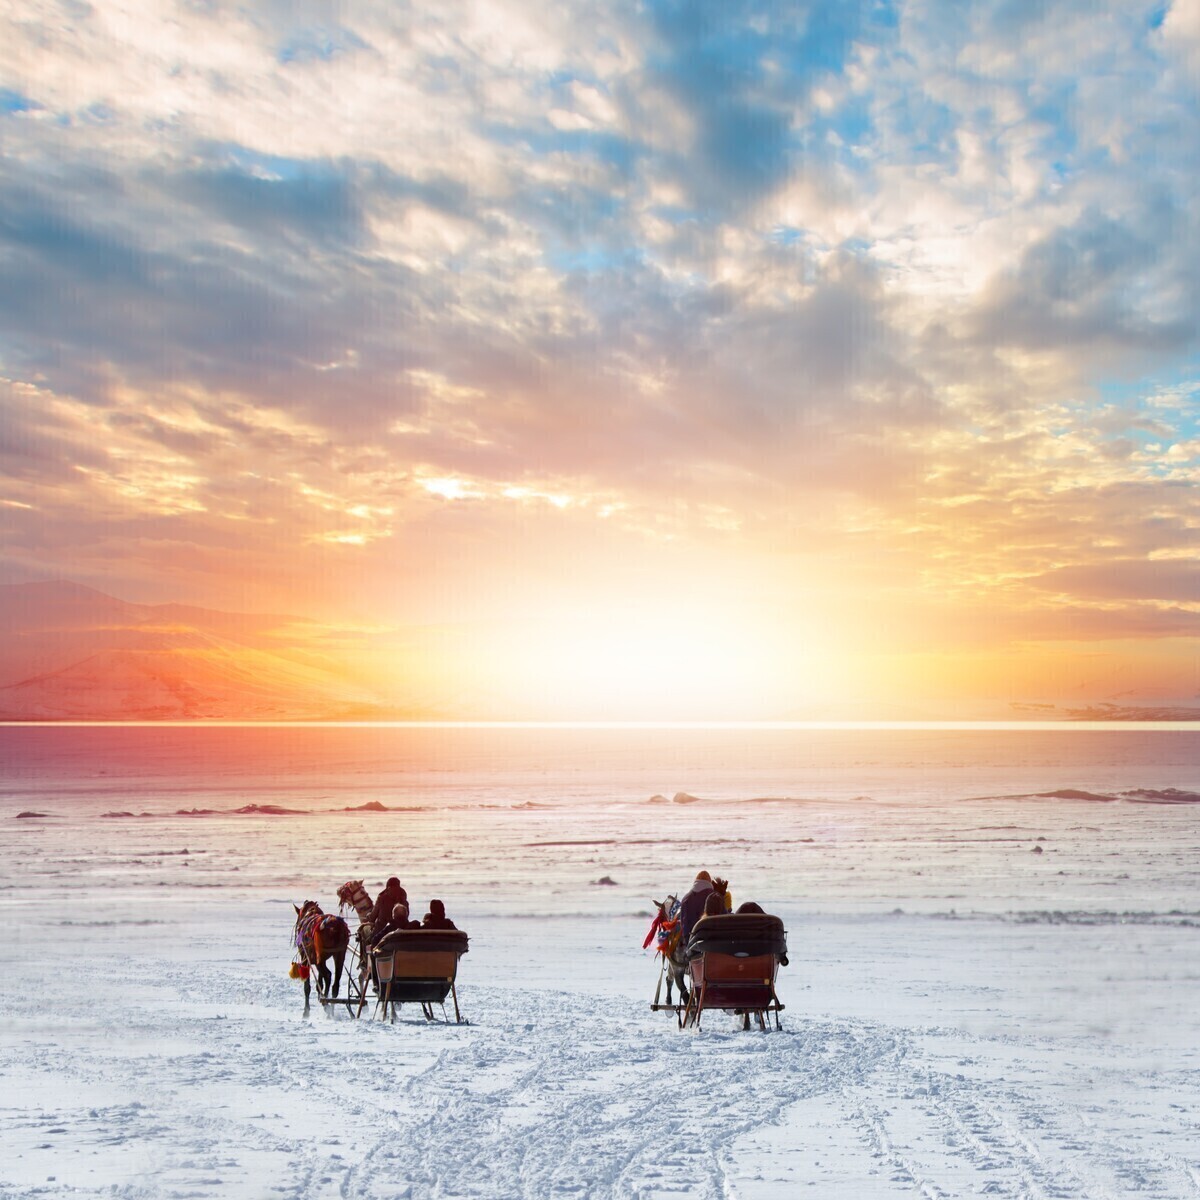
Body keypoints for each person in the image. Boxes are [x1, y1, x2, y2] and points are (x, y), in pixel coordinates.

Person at [678, 871, 715, 942]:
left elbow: (683, 924)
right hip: (712, 940)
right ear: (710, 881)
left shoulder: (686, 898)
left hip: (691, 940)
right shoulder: (715, 897)